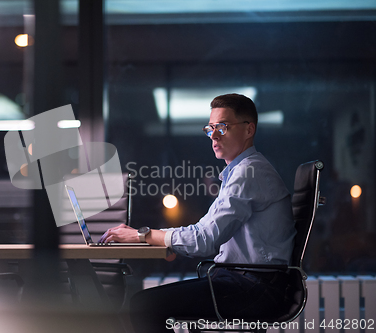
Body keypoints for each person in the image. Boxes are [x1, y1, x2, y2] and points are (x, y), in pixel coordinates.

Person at [99, 93, 296, 333]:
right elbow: (204, 232)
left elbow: (205, 239)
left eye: (222, 127)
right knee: (147, 304)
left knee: (144, 305)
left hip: (254, 287)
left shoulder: (248, 173)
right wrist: (163, 240)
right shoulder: (242, 172)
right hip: (247, 282)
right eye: (210, 128)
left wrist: (144, 235)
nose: (213, 135)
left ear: (248, 130)